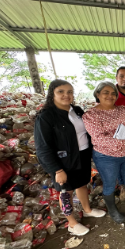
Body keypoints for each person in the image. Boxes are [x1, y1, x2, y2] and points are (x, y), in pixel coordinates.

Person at [34, 80, 106, 236]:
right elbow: (43, 147)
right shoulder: (46, 117)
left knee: (82, 184)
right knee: (66, 191)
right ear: (52, 93)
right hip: (63, 160)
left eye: (70, 92)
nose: (66, 95)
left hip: (82, 154)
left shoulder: (77, 111)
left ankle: (87, 210)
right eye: (61, 91)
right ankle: (72, 223)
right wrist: (56, 169)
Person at [82, 81, 125, 224]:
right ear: (98, 94)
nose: (110, 96)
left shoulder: (122, 109)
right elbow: (99, 138)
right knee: (110, 184)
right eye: (106, 92)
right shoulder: (91, 115)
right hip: (106, 157)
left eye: (113, 93)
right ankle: (113, 211)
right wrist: (124, 143)